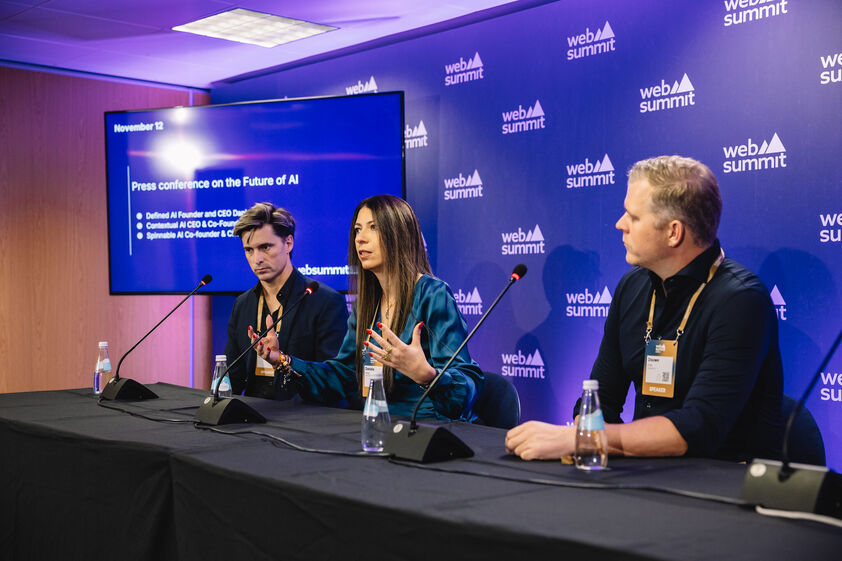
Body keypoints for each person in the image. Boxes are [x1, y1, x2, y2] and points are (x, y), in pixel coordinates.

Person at [506, 155, 783, 461]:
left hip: (721, 486)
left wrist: (585, 438)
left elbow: (698, 427)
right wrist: (585, 443)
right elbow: (602, 399)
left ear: (673, 232)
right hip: (645, 474)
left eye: (633, 217)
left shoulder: (740, 300)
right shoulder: (632, 287)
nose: (620, 224)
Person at [252, 194, 484, 420]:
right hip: (377, 426)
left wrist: (427, 375)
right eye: (357, 230)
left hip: (427, 431)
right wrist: (282, 360)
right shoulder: (368, 304)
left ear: (399, 234)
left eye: (373, 227)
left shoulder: (433, 294)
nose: (360, 239)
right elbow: (341, 377)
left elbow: (466, 386)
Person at [225, 202, 348, 400]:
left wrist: (283, 360)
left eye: (265, 247)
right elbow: (232, 378)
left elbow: (333, 380)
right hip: (250, 414)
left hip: (304, 417)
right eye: (249, 250)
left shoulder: (326, 301)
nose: (257, 259)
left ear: (288, 243)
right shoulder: (242, 304)